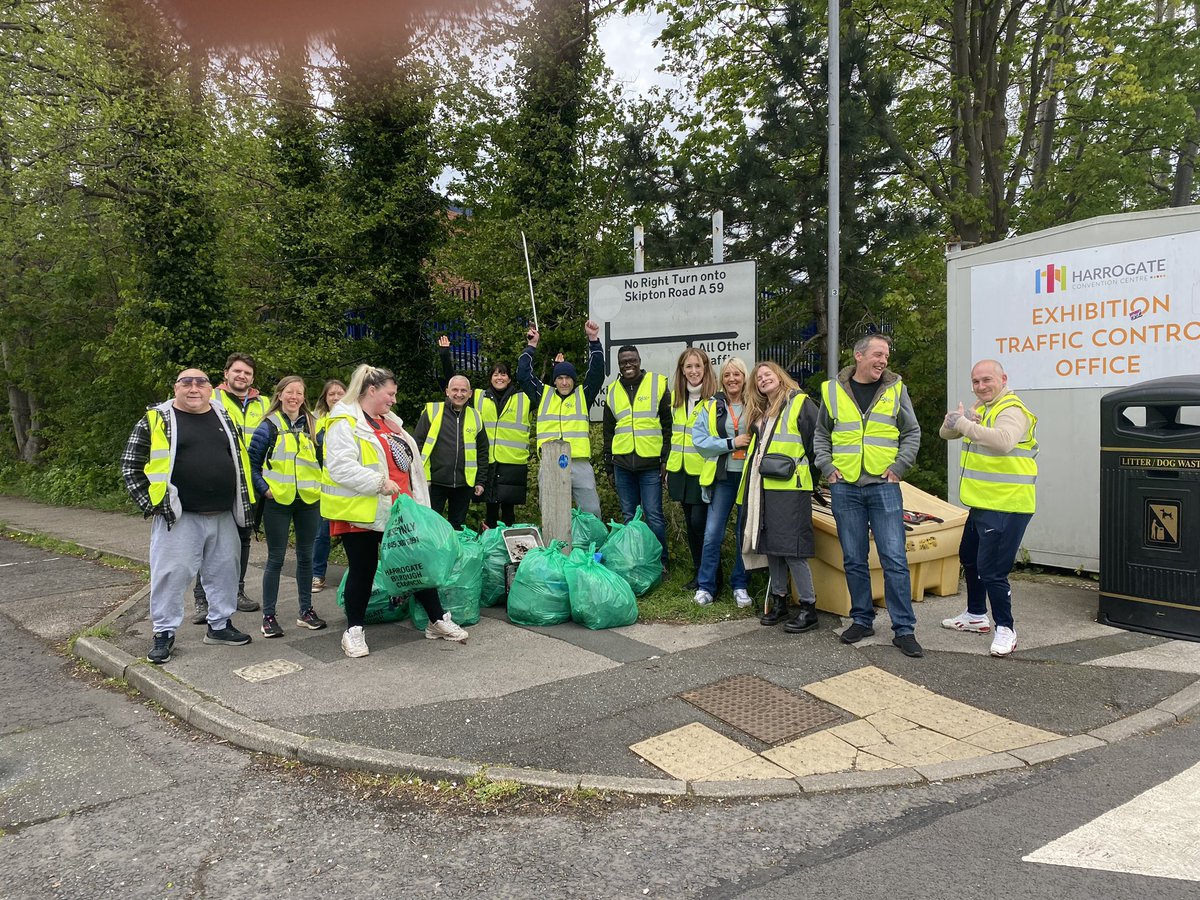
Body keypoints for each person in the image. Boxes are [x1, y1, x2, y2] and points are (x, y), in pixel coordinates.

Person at [321, 364, 469, 658]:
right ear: (371, 391)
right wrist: (377, 482)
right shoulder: (343, 421)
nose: (394, 400)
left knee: (416, 565)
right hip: (361, 511)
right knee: (363, 571)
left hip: (398, 509)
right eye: (390, 394)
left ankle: (436, 621)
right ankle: (354, 631)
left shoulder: (390, 422)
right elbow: (339, 467)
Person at [120, 368, 254, 663]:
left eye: (200, 382)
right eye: (187, 383)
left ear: (210, 389)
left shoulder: (223, 416)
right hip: (179, 518)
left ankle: (219, 626)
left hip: (223, 514)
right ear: (175, 388)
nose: (194, 388)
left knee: (225, 574)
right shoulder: (158, 419)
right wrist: (152, 504)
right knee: (171, 576)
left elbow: (238, 461)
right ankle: (163, 633)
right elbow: (130, 464)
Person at [814, 334, 924, 658]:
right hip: (845, 484)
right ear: (858, 356)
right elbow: (822, 433)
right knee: (853, 558)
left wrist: (899, 466)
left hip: (883, 485)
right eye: (878, 354)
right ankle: (862, 618)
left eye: (886, 356)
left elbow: (912, 431)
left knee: (894, 559)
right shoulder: (832, 390)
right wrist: (827, 467)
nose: (883, 361)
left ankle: (904, 629)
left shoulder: (895, 389)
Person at [939, 359, 1038, 658]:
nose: (980, 386)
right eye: (976, 382)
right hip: (982, 502)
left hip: (1007, 504)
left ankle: (1006, 629)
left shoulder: (1012, 410)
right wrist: (953, 421)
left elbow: (1004, 442)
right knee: (969, 558)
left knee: (993, 571)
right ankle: (976, 615)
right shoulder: (982, 409)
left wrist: (965, 424)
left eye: (986, 380)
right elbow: (948, 435)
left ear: (1003, 379)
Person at [736, 362, 821, 633]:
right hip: (765, 487)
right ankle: (780, 601)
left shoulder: (801, 403)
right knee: (773, 547)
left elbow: (816, 445)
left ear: (780, 376)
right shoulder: (762, 412)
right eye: (758, 378)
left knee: (793, 550)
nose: (763, 379)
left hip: (792, 488)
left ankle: (809, 608)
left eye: (767, 375)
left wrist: (812, 481)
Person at [191, 352, 269, 621]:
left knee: (243, 540)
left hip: (251, 483)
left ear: (252, 378)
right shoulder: (211, 398)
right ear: (226, 374)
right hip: (218, 481)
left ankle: (236, 591)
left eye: (247, 373)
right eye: (237, 371)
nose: (242, 376)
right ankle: (203, 600)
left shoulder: (266, 403)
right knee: (207, 541)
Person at [248, 376, 327, 638]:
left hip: (308, 501)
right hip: (278, 501)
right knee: (276, 559)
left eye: (299, 393)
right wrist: (264, 490)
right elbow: (252, 464)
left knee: (306, 557)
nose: (294, 397)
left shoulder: (314, 426)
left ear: (304, 397)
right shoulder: (267, 426)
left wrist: (322, 488)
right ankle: (268, 617)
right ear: (280, 395)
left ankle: (306, 611)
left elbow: (326, 461)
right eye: (289, 392)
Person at [436, 335, 532, 528]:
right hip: (487, 461)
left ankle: (506, 548)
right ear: (490, 378)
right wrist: (445, 355)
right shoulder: (478, 396)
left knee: (508, 511)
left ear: (510, 378)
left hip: (512, 462)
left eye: (503, 374)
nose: (499, 377)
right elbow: (454, 385)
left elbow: (533, 381)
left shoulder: (524, 398)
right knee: (490, 508)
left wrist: (533, 349)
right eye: (496, 374)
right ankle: (491, 547)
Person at [515, 320, 605, 518]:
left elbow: (597, 373)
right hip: (550, 463)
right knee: (551, 513)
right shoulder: (543, 394)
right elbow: (523, 375)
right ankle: (553, 548)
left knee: (592, 512)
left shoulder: (583, 395)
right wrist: (531, 346)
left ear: (574, 380)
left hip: (579, 463)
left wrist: (593, 340)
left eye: (568, 378)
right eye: (560, 378)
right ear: (554, 380)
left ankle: (592, 547)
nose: (564, 382)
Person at [603, 344, 673, 569]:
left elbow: (668, 426)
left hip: (650, 464)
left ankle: (660, 562)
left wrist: (665, 460)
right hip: (622, 464)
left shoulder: (657, 384)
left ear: (639, 360)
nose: (628, 365)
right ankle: (635, 562)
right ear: (619, 364)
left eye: (632, 360)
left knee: (653, 516)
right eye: (623, 362)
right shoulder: (612, 391)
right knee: (629, 517)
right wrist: (609, 467)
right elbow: (608, 431)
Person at [692, 357, 753, 608]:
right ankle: (705, 587)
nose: (732, 379)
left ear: (744, 376)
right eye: (727, 375)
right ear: (721, 379)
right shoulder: (711, 406)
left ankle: (740, 585)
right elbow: (700, 441)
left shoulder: (756, 404)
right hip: (724, 478)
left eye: (737, 374)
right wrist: (731, 443)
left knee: (743, 535)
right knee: (712, 534)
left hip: (749, 477)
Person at [666, 348, 717, 591]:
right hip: (680, 471)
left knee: (700, 524)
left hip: (703, 472)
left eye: (698, 366)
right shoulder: (676, 399)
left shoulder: (715, 400)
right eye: (689, 366)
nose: (693, 371)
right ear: (682, 370)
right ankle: (699, 573)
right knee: (690, 524)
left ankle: (710, 573)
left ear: (705, 369)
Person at [413, 375, 490, 529]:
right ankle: (434, 553)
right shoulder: (432, 411)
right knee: (430, 525)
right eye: (455, 389)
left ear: (470, 393)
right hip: (434, 481)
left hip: (464, 483)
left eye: (463, 390)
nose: (459, 394)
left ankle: (454, 553)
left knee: (457, 526)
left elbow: (482, 450)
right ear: (447, 391)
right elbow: (416, 445)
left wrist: (481, 481)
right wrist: (421, 476)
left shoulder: (476, 416)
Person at [310, 378, 346, 593]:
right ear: (325, 397)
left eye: (340, 393)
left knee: (355, 534)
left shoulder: (353, 418)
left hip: (349, 487)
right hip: (325, 487)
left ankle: (357, 575)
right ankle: (317, 574)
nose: (335, 397)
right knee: (322, 534)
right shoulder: (316, 420)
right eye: (331, 394)